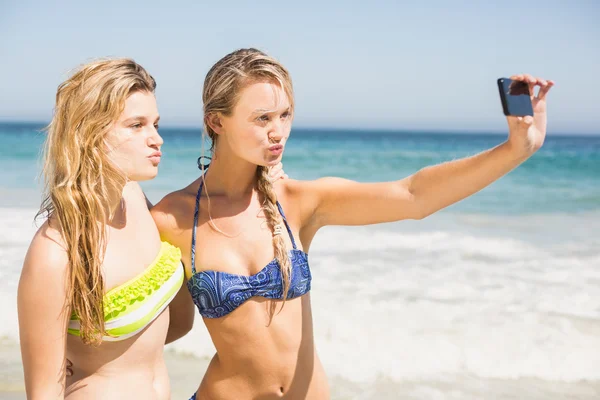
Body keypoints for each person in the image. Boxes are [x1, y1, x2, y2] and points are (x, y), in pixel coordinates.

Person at [151, 48, 554, 400]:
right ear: (216, 122)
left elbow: (413, 196)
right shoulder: (173, 218)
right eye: (262, 118)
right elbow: (168, 327)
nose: (278, 132)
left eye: (285, 114)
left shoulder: (297, 203)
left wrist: (517, 149)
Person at [16, 57, 286, 399]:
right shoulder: (56, 253)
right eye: (136, 125)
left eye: (155, 124)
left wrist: (260, 179)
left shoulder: (138, 203)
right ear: (88, 133)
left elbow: (171, 324)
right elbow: (43, 393)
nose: (156, 139)